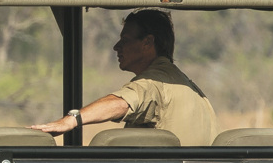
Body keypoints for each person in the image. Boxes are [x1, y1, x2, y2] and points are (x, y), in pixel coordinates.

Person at [31, 9, 216, 146]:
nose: (116, 47)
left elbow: (122, 103)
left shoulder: (155, 82)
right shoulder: (188, 87)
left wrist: (71, 120)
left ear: (148, 42)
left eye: (125, 40)